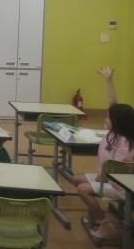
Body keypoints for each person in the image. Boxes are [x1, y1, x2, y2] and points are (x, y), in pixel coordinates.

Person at [72, 67, 134, 240]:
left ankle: (105, 223)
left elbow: (116, 172)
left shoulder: (125, 145)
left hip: (120, 185)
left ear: (117, 122)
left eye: (107, 118)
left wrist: (100, 178)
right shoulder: (116, 132)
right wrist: (108, 80)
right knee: (76, 179)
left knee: (83, 189)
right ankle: (97, 216)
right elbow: (113, 102)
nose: (105, 119)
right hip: (108, 178)